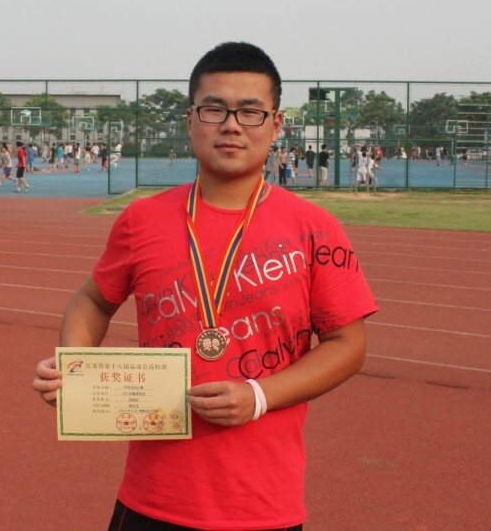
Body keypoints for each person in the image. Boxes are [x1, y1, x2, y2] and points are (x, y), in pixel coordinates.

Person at [32, 41, 377, 531]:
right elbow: (93, 299)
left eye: (250, 112)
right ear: (190, 119)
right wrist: (75, 367)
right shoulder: (141, 220)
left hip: (263, 507)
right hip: (151, 502)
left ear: (276, 124)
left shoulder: (315, 229)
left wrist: (258, 396)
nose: (231, 125)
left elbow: (349, 344)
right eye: (214, 109)